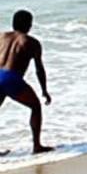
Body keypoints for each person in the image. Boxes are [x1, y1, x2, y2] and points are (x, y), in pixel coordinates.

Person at [0, 10, 52, 155]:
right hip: (11, 78)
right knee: (35, 106)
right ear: (29, 25)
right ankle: (37, 146)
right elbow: (39, 69)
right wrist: (44, 91)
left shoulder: (2, 36)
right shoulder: (31, 42)